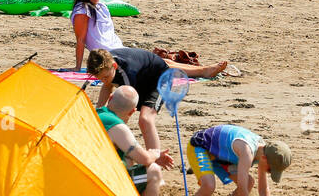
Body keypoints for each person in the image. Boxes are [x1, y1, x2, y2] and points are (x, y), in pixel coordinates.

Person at [88, 46, 227, 152]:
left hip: (161, 78)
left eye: (105, 77)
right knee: (111, 111)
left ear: (114, 66)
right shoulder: (106, 65)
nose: (103, 80)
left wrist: (115, 130)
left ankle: (154, 161)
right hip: (144, 76)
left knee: (145, 119)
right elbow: (107, 86)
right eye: (99, 78)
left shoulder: (128, 72)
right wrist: (98, 113)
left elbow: (127, 109)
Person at [93, 80, 173, 196]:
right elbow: (145, 159)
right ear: (132, 112)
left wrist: (150, 157)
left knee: (129, 159)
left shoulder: (95, 113)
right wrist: (156, 154)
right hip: (105, 185)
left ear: (110, 98)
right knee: (153, 172)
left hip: (87, 178)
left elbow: (133, 154)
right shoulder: (117, 126)